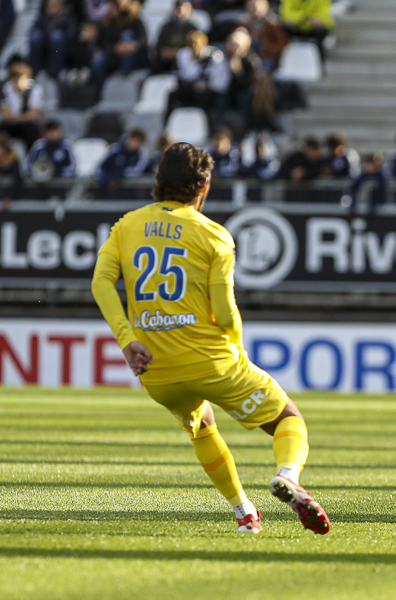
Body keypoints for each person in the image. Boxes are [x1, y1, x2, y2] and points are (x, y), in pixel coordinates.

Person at [90, 142, 331, 535]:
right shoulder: (214, 235)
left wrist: (125, 339)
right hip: (214, 361)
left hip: (157, 371)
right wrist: (236, 342)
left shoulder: (126, 226)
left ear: (157, 179)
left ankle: (245, 514)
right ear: (204, 186)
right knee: (288, 418)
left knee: (201, 425)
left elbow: (101, 283)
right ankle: (289, 476)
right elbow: (225, 308)